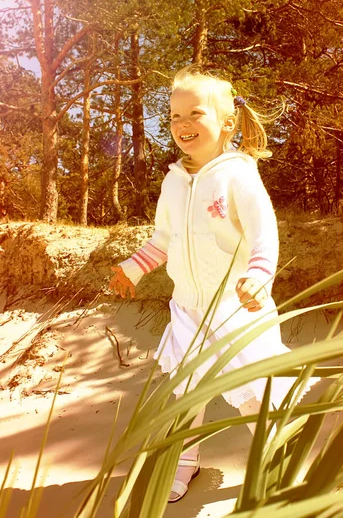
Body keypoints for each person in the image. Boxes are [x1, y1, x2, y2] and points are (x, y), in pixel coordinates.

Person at [109, 67, 317, 503]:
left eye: (195, 114)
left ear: (226, 122)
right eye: (173, 116)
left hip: (236, 307)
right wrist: (131, 267)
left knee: (254, 393)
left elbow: (264, 234)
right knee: (184, 393)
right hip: (187, 309)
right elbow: (164, 239)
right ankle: (184, 461)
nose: (182, 124)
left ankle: (276, 458)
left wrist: (257, 276)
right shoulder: (173, 181)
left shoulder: (237, 174)